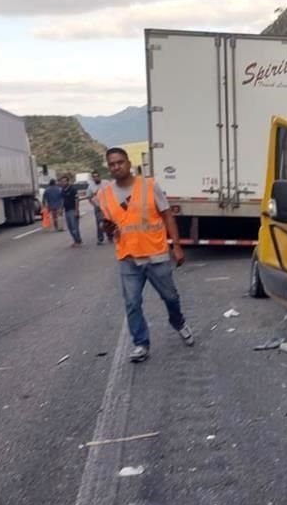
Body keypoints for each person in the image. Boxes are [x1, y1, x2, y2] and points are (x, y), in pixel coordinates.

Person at [97, 147, 194, 362]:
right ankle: (141, 344)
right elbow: (110, 225)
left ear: (129, 163)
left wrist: (176, 246)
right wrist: (107, 229)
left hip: (156, 254)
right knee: (132, 303)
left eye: (120, 162)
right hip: (127, 257)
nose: (116, 167)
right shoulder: (104, 194)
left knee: (170, 297)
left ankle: (178, 323)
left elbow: (168, 216)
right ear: (108, 167)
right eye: (112, 164)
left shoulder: (150, 186)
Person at [85, 170, 110, 245]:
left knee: (109, 221)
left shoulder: (106, 183)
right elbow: (88, 197)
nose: (96, 178)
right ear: (92, 178)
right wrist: (94, 205)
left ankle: (110, 235)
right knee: (99, 223)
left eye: (97, 176)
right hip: (98, 207)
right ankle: (100, 239)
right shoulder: (90, 186)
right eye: (94, 177)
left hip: (107, 206)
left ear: (99, 176)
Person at [60, 175, 82, 247]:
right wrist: (61, 209)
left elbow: (76, 200)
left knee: (74, 227)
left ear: (67, 182)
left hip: (72, 210)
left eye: (64, 181)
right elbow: (63, 200)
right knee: (70, 227)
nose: (63, 183)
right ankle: (76, 240)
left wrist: (76, 210)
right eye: (62, 181)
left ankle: (78, 241)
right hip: (67, 211)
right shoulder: (62, 190)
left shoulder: (73, 189)